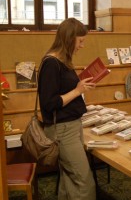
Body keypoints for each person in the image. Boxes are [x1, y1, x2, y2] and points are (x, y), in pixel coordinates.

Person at [38, 18, 96, 200]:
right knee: (84, 181)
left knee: (69, 179)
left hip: (71, 126)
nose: (82, 45)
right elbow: (49, 103)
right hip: (62, 130)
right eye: (80, 41)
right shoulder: (51, 63)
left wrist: (80, 87)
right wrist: (77, 90)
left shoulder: (64, 61)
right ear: (69, 39)